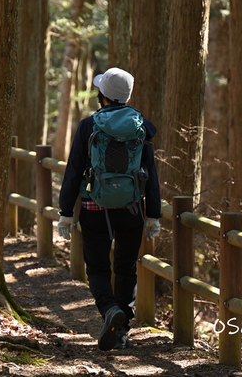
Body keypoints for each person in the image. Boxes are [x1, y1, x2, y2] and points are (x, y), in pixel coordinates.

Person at [57, 67, 162, 351]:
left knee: (98, 268)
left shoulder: (88, 126)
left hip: (94, 206)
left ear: (102, 95)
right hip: (132, 208)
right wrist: (153, 214)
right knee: (127, 268)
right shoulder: (141, 125)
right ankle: (122, 329)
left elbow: (74, 170)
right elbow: (150, 172)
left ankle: (109, 311)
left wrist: (66, 212)